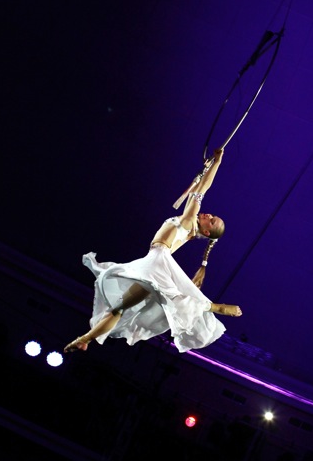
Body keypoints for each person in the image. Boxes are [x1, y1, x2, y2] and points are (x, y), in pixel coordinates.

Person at [63, 147, 242, 354]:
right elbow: (199, 188)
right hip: (152, 263)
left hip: (158, 259)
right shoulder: (190, 224)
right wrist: (208, 167)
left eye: (212, 220)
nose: (209, 214)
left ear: (207, 230)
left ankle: (216, 307)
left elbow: (202, 190)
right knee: (119, 309)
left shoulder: (188, 221)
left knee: (179, 297)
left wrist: (217, 163)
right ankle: (85, 339)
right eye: (212, 216)